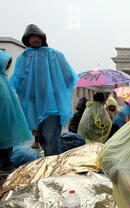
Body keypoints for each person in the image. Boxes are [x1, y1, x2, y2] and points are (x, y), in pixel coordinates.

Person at [10, 24, 78, 156]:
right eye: (32, 37)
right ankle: (49, 166)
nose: (35, 39)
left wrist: (55, 92)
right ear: (27, 39)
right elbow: (18, 81)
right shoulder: (23, 58)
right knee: (42, 138)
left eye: (38, 36)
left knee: (51, 138)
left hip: (51, 106)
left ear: (43, 38)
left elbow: (68, 76)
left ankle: (54, 169)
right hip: (33, 106)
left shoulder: (54, 55)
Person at [0, 50, 33, 183]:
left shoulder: (4, 80)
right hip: (3, 129)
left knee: (6, 156)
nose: (6, 67)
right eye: (5, 63)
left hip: (7, 131)